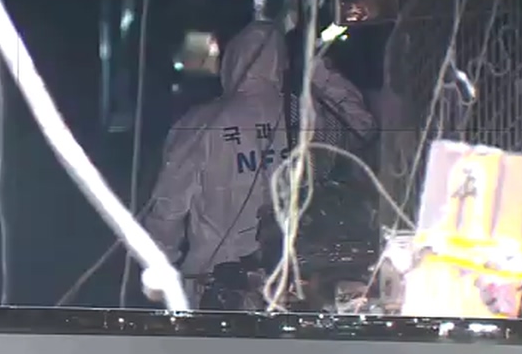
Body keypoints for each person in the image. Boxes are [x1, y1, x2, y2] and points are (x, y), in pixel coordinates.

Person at [143, 20, 374, 307]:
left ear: (233, 61)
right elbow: (361, 126)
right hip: (292, 281)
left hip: (214, 284)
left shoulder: (200, 123)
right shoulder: (305, 117)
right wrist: (317, 70)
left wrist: (158, 268)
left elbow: (168, 209)